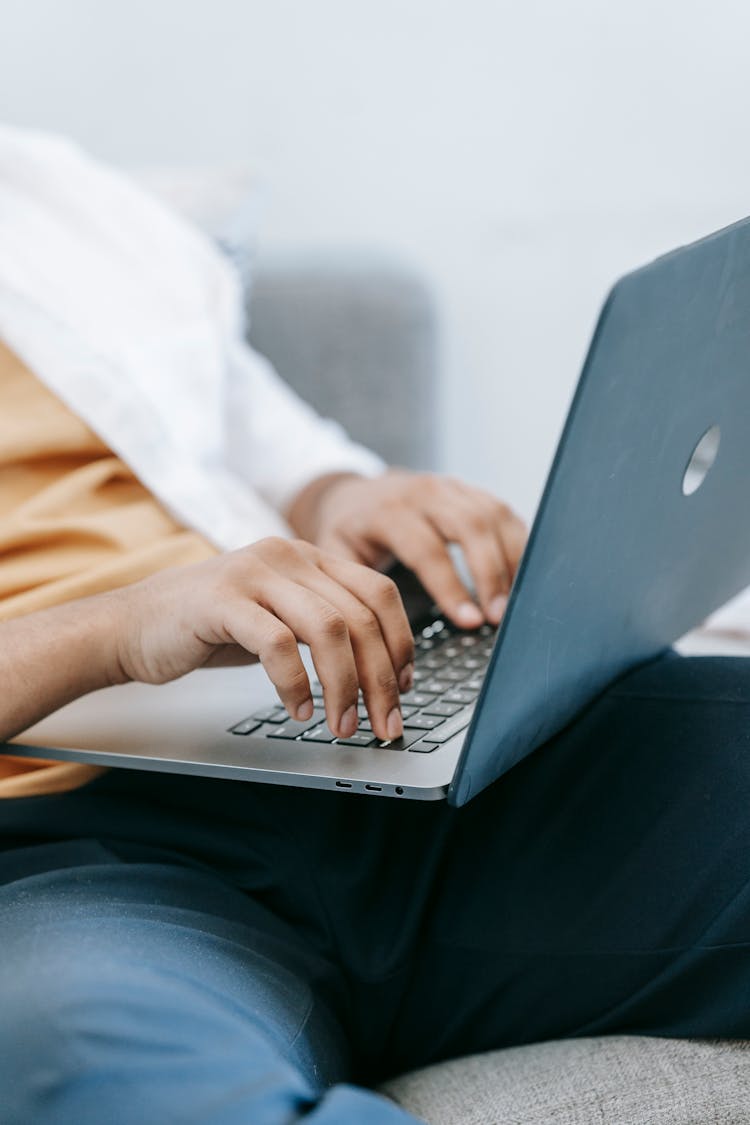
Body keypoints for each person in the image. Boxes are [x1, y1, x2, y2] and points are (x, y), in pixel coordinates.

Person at [1, 126, 750, 1125]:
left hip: (358, 748)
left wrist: (348, 498)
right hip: (62, 858)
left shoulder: (49, 199)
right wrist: (112, 632)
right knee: (112, 1075)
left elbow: (266, 441)